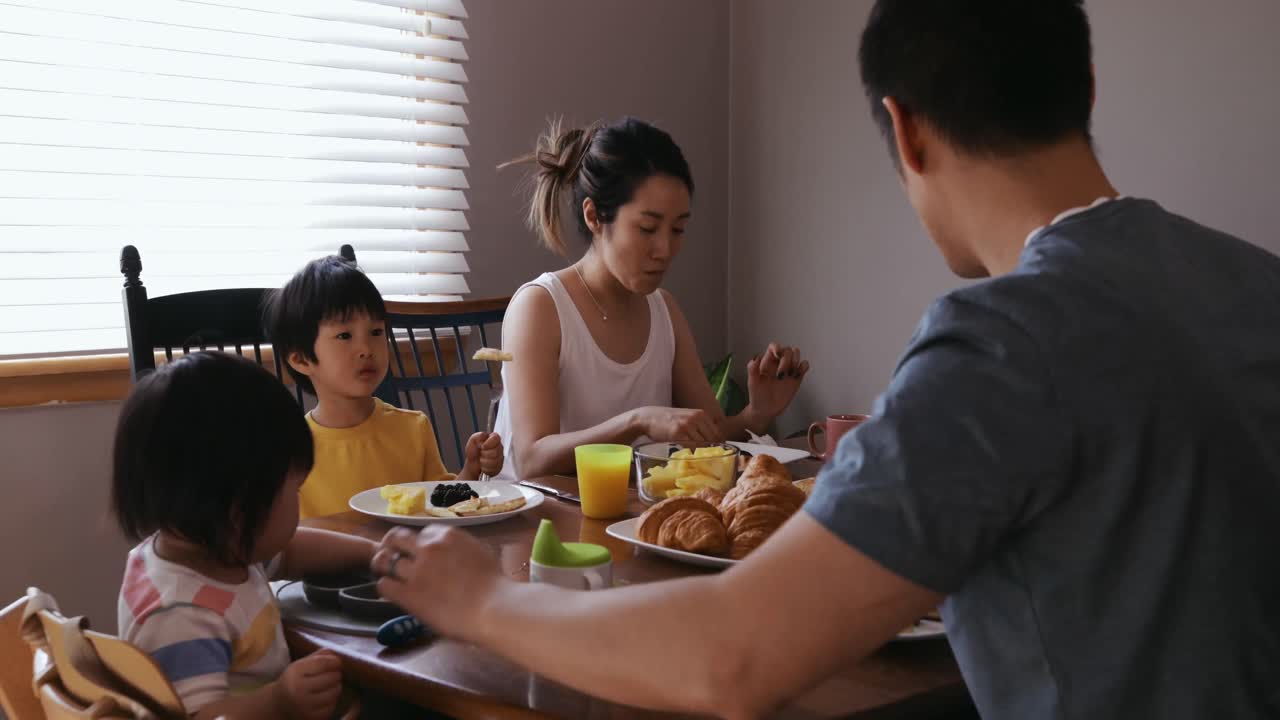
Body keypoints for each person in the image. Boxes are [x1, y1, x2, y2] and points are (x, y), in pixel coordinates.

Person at [370, 1, 1280, 718]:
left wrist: (485, 605)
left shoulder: (999, 345)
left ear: (905, 130)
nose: (664, 248)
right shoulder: (1255, 283)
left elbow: (732, 657)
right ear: (1086, 86)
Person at [491, 117, 809, 480]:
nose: (665, 249)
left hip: (621, 513)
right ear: (594, 216)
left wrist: (758, 413)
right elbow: (532, 459)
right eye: (647, 228)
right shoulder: (541, 307)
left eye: (678, 229)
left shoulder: (664, 310)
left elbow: (711, 435)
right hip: (533, 521)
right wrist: (638, 420)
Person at [113, 352, 377, 719]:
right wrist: (278, 702)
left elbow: (297, 550)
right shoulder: (182, 614)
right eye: (295, 489)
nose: (297, 502)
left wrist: (372, 553)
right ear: (238, 503)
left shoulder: (220, 546)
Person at [265, 256, 504, 518]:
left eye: (376, 332)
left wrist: (471, 469)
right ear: (301, 359)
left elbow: (439, 507)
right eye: (345, 335)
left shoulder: (413, 427)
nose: (366, 349)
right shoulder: (291, 452)